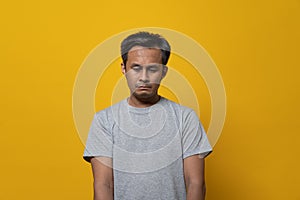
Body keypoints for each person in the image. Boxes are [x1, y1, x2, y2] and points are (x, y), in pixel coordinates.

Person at [83, 31, 212, 200]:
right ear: (124, 68)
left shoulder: (185, 118)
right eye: (136, 68)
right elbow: (103, 184)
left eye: (152, 69)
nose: (144, 77)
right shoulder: (104, 120)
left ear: (164, 71)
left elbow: (195, 183)